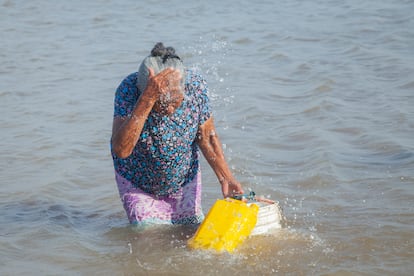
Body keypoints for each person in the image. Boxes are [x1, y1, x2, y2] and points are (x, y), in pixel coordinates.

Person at [111, 42, 244, 225]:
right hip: (137, 182)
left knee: (191, 233)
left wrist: (226, 178)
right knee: (147, 238)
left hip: (183, 180)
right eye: (161, 102)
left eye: (175, 101)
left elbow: (207, 136)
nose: (169, 108)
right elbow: (121, 150)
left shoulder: (195, 88)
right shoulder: (128, 90)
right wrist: (147, 99)